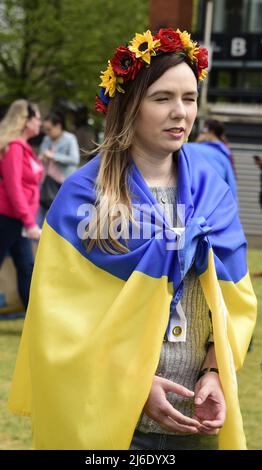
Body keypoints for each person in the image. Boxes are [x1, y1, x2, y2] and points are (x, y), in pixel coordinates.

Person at [9, 28, 256, 450]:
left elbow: (233, 301)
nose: (180, 112)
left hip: (196, 419)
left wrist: (215, 369)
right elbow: (61, 325)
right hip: (114, 420)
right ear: (128, 105)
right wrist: (136, 383)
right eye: (162, 98)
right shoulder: (85, 198)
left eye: (189, 98)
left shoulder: (212, 190)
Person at [0, 99, 43, 310]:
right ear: (25, 120)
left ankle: (32, 320)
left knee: (27, 267)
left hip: (18, 220)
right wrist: (30, 223)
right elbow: (13, 187)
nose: (40, 123)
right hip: (7, 217)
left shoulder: (25, 148)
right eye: (37, 118)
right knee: (24, 266)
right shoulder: (15, 148)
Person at [38, 110, 80, 224]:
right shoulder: (47, 139)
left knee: (60, 216)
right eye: (45, 130)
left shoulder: (70, 139)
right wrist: (43, 157)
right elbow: (41, 156)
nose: (47, 133)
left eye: (49, 129)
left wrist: (54, 156)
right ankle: (36, 238)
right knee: (40, 212)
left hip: (63, 183)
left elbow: (74, 159)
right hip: (47, 182)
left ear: (58, 126)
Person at [187, 119, 238, 201]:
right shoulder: (225, 155)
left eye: (203, 130)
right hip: (217, 206)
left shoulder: (191, 149)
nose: (200, 134)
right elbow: (231, 189)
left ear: (211, 132)